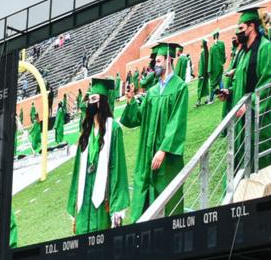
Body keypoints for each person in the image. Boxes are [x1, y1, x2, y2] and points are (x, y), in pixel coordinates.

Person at [121, 43, 188, 222]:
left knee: (167, 194)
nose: (156, 65)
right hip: (147, 154)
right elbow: (138, 117)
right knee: (144, 197)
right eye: (155, 61)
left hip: (166, 156)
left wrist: (163, 149)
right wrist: (130, 102)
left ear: (169, 59)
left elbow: (177, 121)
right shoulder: (152, 92)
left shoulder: (180, 87)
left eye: (159, 61)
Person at [67, 78, 130, 235]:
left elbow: (118, 170)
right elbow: (77, 173)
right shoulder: (86, 133)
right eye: (89, 99)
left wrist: (117, 209)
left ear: (102, 102)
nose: (90, 103)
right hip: (83, 203)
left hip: (102, 201)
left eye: (94, 99)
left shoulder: (113, 129)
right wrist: (74, 206)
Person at [220, 7, 271, 170]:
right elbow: (242, 81)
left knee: (262, 161)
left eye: (241, 28)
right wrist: (230, 92)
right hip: (244, 117)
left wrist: (250, 104)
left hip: (261, 116)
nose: (238, 32)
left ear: (252, 27)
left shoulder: (265, 48)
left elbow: (267, 82)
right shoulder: (246, 52)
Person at [207, 31, 226, 104]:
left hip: (214, 68)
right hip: (220, 66)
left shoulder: (212, 47)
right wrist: (223, 61)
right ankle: (223, 94)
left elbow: (210, 59)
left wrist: (209, 69)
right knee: (220, 79)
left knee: (212, 84)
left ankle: (211, 99)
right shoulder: (222, 44)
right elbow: (223, 54)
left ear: (213, 37)